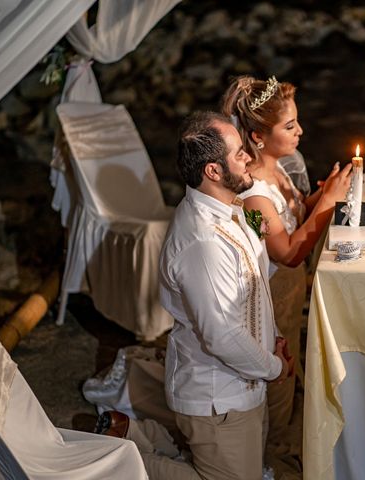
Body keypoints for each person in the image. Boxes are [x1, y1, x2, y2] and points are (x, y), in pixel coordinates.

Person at [112, 111, 291, 480]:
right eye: (239, 152)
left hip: (244, 379)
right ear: (212, 171)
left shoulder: (233, 208)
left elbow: (254, 278)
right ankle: (117, 460)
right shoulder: (203, 244)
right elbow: (222, 336)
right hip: (218, 394)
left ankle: (133, 432)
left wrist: (273, 339)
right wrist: (273, 368)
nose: (249, 157)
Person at [221, 75, 352, 453]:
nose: (300, 131)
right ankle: (267, 450)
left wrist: (321, 195)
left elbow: (295, 215)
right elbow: (287, 252)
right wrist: (329, 203)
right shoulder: (253, 199)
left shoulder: (278, 168)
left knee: (291, 360)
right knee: (279, 368)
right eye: (290, 125)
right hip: (272, 293)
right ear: (258, 137)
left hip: (291, 291)